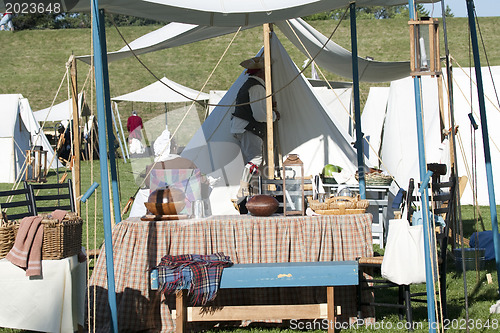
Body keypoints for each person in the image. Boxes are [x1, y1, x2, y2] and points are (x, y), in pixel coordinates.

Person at [231, 56, 280, 201]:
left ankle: (250, 192)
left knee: (254, 160)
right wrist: (274, 115)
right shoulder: (257, 87)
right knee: (256, 159)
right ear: (261, 72)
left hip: (244, 127)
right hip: (248, 127)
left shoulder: (251, 84)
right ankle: (243, 189)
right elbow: (259, 115)